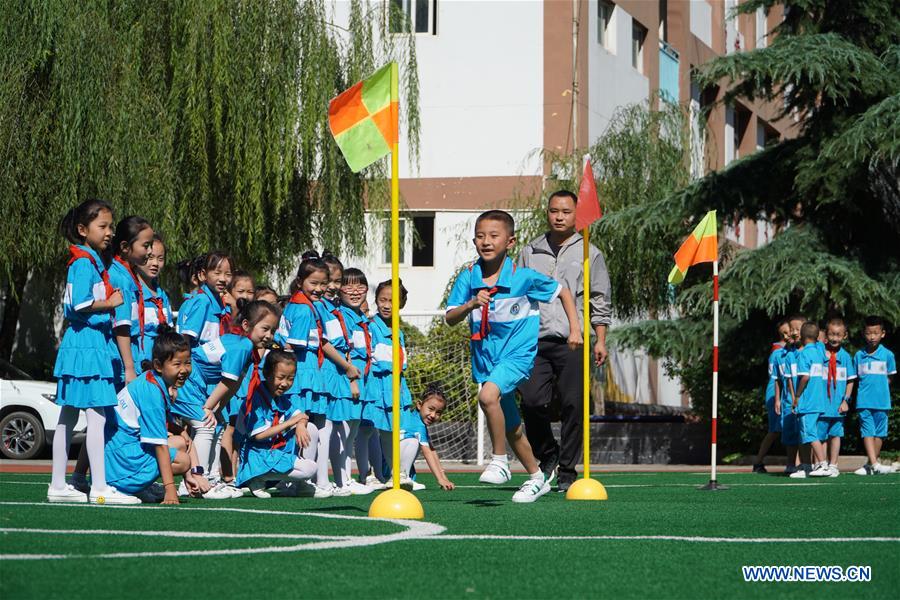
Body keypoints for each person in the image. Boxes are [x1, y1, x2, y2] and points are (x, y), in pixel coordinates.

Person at [446, 210, 581, 503]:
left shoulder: (524, 277)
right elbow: (450, 318)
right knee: (512, 426)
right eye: (480, 236)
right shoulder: (468, 277)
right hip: (486, 359)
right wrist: (471, 304)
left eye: (494, 236)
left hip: (517, 356)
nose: (486, 241)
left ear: (510, 241)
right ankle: (537, 477)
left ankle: (499, 461)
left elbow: (564, 293)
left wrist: (575, 329)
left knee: (487, 398)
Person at [515, 190, 612, 491]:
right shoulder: (530, 251)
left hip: (574, 340)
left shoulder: (589, 252)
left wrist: (599, 339)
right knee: (530, 400)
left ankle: (568, 468)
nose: (559, 216)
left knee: (574, 405)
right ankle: (549, 454)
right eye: (554, 210)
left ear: (575, 215)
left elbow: (600, 299)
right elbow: (518, 291)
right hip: (534, 340)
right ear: (547, 212)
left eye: (566, 211)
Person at [48, 199, 135, 504]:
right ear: (83, 230)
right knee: (95, 416)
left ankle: (59, 483)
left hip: (85, 343)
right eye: (103, 226)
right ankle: (98, 486)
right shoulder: (84, 262)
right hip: (86, 344)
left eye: (111, 226)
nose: (109, 232)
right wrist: (110, 304)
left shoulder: (89, 261)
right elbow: (79, 304)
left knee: (68, 417)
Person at [169, 300, 280, 498]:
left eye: (273, 331)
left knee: (217, 425)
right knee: (205, 424)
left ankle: (212, 479)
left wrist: (217, 409)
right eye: (265, 328)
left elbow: (234, 384)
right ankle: (194, 483)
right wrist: (209, 407)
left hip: (195, 381)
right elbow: (227, 383)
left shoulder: (245, 346)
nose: (269, 335)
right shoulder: (243, 347)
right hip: (188, 379)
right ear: (246, 325)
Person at [278, 253, 360, 498]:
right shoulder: (303, 310)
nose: (320, 288)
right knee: (305, 424)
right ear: (300, 281)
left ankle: (311, 480)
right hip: (304, 374)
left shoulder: (307, 307)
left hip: (310, 373)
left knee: (315, 426)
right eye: (314, 283)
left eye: (323, 283)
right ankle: (296, 480)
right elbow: (292, 349)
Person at [104, 326, 208, 504]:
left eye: (187, 362)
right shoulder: (152, 391)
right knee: (183, 460)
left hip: (116, 458)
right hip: (120, 466)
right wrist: (170, 489)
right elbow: (158, 444)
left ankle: (140, 486)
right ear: (159, 366)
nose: (184, 369)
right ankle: (131, 486)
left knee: (181, 443)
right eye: (177, 364)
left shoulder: (150, 379)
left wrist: (178, 429)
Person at [235, 349, 318, 498]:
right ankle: (256, 478)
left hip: (274, 453)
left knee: (309, 427)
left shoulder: (281, 398)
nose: (285, 383)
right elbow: (259, 436)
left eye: (290, 379)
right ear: (267, 374)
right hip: (257, 456)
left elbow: (302, 416)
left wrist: (299, 424)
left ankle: (297, 484)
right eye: (281, 377)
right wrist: (292, 422)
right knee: (310, 469)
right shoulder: (256, 398)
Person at [317, 252, 362, 496]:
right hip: (325, 372)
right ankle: (322, 479)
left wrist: (349, 373)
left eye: (337, 282)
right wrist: (347, 368)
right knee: (324, 427)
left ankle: (341, 478)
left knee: (341, 428)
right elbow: (325, 343)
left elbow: (343, 344)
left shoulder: (335, 309)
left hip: (338, 373)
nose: (333, 287)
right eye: (328, 282)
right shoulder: (320, 309)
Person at [333, 267, 375, 495]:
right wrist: (352, 382)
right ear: (339, 289)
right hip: (348, 381)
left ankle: (347, 478)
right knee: (344, 430)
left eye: (360, 285)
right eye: (348, 285)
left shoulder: (361, 316)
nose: (355, 290)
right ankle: (342, 479)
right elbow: (345, 351)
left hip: (364, 381)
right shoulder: (341, 316)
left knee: (354, 432)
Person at [109, 216, 155, 383]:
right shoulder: (119, 278)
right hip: (121, 362)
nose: (150, 251)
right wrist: (129, 368)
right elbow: (122, 326)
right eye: (145, 246)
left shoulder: (130, 275)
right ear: (125, 247)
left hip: (133, 357)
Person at [853, 315, 896, 475]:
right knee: (867, 432)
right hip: (864, 401)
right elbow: (856, 378)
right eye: (869, 333)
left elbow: (890, 377)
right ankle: (875, 464)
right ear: (864, 334)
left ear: (882, 333)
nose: (872, 337)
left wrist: (882, 390)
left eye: (876, 333)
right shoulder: (858, 356)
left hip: (882, 402)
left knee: (880, 434)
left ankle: (871, 465)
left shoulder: (888, 355)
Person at [398, 384, 455, 491]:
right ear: (419, 405)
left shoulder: (416, 419)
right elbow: (427, 453)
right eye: (431, 409)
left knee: (416, 442)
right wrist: (440, 480)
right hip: (388, 463)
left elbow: (432, 450)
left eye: (438, 412)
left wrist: (444, 477)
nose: (433, 415)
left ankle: (403, 477)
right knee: (413, 442)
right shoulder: (418, 426)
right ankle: (401, 478)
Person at [753, 319, 791, 473]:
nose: (788, 335)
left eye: (790, 331)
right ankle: (758, 462)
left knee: (790, 428)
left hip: (786, 392)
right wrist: (777, 398)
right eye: (784, 334)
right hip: (777, 393)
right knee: (776, 430)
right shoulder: (778, 352)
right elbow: (777, 378)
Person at [792, 322, 829, 478]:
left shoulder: (804, 354)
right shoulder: (819, 351)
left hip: (808, 402)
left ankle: (823, 464)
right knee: (806, 433)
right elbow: (820, 344)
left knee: (810, 434)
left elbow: (805, 377)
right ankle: (807, 467)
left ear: (802, 336)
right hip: (819, 401)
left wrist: (797, 396)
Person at [819, 317, 855, 477]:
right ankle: (821, 464)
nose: (834, 338)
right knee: (820, 436)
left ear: (844, 336)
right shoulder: (818, 353)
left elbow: (850, 380)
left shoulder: (846, 357)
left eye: (838, 335)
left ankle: (833, 464)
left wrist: (846, 400)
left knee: (835, 434)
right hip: (820, 404)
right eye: (832, 334)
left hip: (838, 405)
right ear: (826, 335)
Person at [177, 251, 234, 347]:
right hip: (199, 361)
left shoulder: (219, 302)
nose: (223, 279)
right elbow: (187, 337)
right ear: (203, 275)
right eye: (217, 273)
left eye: (228, 274)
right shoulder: (203, 301)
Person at [137, 234, 175, 366]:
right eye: (150, 257)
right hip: (139, 364)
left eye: (160, 259)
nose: (155, 264)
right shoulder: (132, 292)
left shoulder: (162, 295)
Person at [778, 315, 806, 474]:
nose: (794, 332)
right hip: (790, 400)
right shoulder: (789, 355)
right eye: (792, 329)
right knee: (790, 433)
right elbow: (787, 380)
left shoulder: (812, 352)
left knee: (804, 433)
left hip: (806, 401)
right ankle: (790, 464)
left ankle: (805, 464)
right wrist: (793, 397)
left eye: (798, 329)